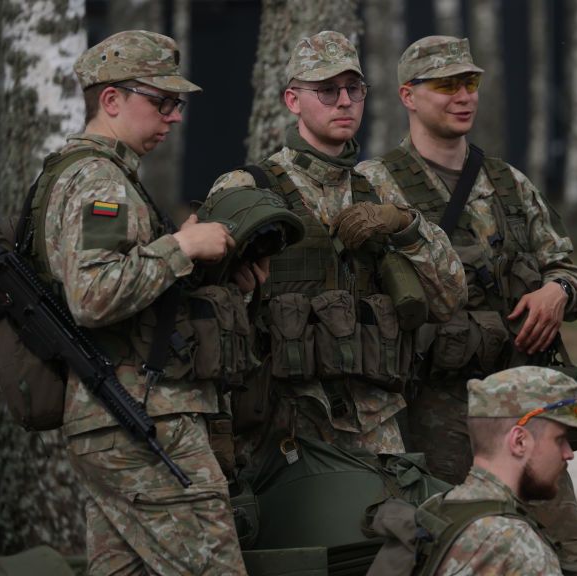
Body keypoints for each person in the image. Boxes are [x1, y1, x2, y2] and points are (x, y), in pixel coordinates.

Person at [357, 35, 577, 574]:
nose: (463, 96)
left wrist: (558, 291)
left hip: (514, 410)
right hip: (425, 407)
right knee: (442, 546)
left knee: (574, 550)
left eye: (470, 83)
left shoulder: (508, 184)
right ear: (409, 95)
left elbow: (571, 271)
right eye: (446, 85)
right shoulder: (374, 187)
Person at [209, 31, 465, 464]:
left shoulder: (382, 189)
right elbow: (208, 307)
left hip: (373, 420)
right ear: (293, 101)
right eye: (326, 90)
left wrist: (406, 227)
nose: (344, 101)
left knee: (387, 528)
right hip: (280, 417)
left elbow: (448, 295)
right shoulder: (249, 188)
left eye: (353, 89)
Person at [43, 30, 245, 574]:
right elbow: (94, 294)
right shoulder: (99, 182)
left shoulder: (79, 174)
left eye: (175, 104)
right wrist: (182, 246)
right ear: (111, 100)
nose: (173, 117)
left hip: (112, 419)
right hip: (140, 417)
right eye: (161, 102)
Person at [431, 366, 577, 575]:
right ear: (519, 441)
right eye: (559, 439)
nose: (568, 453)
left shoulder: (435, 511)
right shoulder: (522, 549)